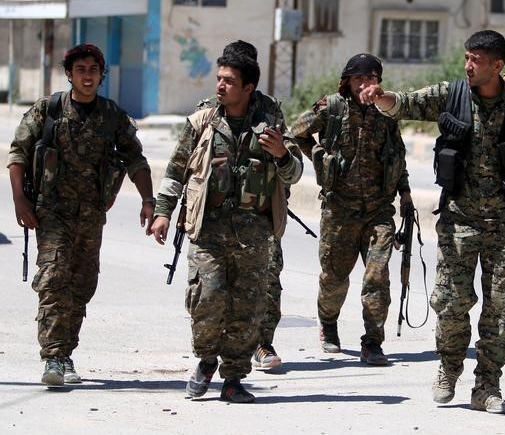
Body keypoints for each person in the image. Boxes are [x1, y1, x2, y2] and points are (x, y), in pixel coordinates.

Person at [359, 30, 505, 414]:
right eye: (466, 57)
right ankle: (448, 368)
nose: (468, 65)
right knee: (452, 302)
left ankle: (487, 386)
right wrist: (381, 97)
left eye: (476, 60)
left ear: (497, 65)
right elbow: (406, 103)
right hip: (459, 221)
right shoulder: (453, 94)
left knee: (500, 307)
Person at [150, 40, 302, 403]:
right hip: (208, 229)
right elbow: (176, 168)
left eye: (229, 81)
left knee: (247, 311)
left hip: (254, 233)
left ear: (248, 88)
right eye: (219, 78)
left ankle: (234, 378)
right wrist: (162, 211)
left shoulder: (272, 119)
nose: (220, 86)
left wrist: (281, 153)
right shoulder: (204, 119)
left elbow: (294, 173)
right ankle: (206, 360)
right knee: (206, 299)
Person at [8, 43, 155, 387]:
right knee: (54, 278)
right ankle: (53, 357)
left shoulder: (112, 116)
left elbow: (135, 159)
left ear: (102, 75)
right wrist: (20, 200)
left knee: (81, 285)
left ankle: (66, 353)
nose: (87, 76)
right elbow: (18, 152)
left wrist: (148, 199)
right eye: (80, 70)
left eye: (93, 69)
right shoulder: (50, 109)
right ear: (70, 75)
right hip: (51, 212)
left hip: (91, 215)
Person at [289, 53, 412, 366]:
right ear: (347, 82)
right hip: (339, 209)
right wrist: (318, 155)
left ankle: (372, 342)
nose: (366, 85)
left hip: (378, 211)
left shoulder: (386, 111)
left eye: (372, 79)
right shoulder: (332, 107)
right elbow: (297, 132)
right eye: (359, 79)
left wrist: (406, 194)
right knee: (334, 277)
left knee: (377, 277)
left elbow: (397, 156)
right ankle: (328, 325)